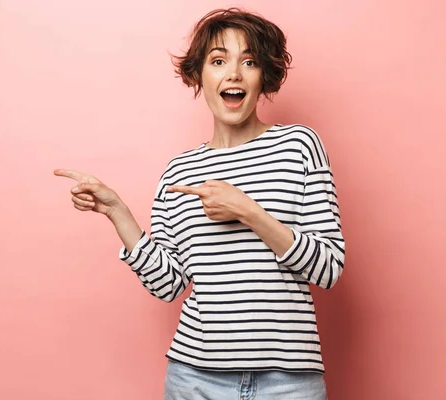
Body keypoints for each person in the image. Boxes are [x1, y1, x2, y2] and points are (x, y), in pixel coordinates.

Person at [54, 7, 344, 399]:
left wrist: (249, 212)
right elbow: (169, 284)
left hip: (288, 383)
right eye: (218, 60)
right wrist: (116, 212)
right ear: (199, 75)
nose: (234, 74)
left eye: (250, 61)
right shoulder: (179, 171)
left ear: (264, 77)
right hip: (194, 379)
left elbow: (328, 268)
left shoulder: (298, 146)